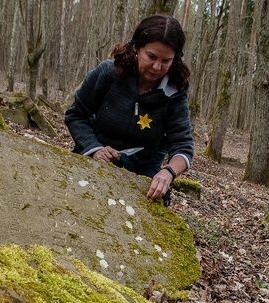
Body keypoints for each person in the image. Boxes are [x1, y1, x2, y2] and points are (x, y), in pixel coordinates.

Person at [65, 14, 193, 206]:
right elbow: (76, 114)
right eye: (151, 57)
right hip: (96, 152)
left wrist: (168, 173)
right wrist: (94, 148)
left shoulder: (174, 92)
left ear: (175, 60)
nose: (157, 67)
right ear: (137, 48)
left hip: (144, 167)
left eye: (166, 61)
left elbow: (183, 145)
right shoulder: (108, 73)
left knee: (158, 204)